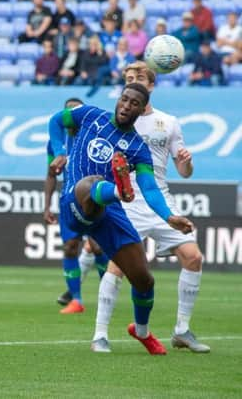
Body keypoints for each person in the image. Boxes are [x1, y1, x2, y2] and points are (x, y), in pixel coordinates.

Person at [48, 83, 194, 355]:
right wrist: (59, 151)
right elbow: (56, 120)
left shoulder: (138, 148)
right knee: (90, 183)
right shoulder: (89, 115)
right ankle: (118, 189)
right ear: (118, 99)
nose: (127, 106)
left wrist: (169, 216)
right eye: (124, 100)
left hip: (110, 212)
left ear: (142, 109)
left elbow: (149, 188)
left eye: (134, 103)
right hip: (75, 201)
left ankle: (141, 331)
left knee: (144, 280)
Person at [91, 62, 210, 354]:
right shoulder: (115, 120)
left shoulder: (168, 122)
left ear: (152, 85)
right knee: (118, 266)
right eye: (129, 79)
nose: (134, 82)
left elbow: (184, 171)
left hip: (160, 198)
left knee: (193, 257)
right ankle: (100, 335)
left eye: (140, 79)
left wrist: (186, 160)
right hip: (127, 200)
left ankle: (182, 330)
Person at [44, 97, 110, 313]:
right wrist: (46, 207)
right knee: (70, 247)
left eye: (77, 111)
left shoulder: (93, 139)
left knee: (97, 246)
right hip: (67, 202)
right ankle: (77, 300)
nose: (72, 116)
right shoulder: (56, 142)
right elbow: (51, 174)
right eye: (69, 112)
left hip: (92, 200)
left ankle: (106, 294)